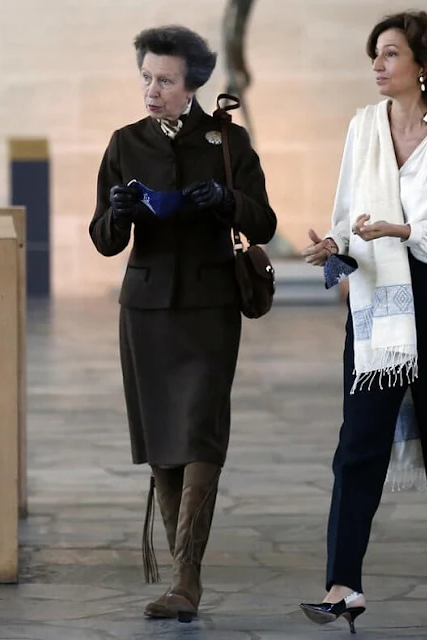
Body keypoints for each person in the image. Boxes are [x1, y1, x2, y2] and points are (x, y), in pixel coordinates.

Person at [299, 10, 427, 633]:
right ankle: (342, 585)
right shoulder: (363, 126)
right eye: (375, 56)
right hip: (379, 301)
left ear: (424, 66)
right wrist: (332, 245)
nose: (377, 66)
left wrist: (403, 230)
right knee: (358, 446)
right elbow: (349, 210)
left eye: (389, 54)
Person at [89, 25, 276, 622]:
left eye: (164, 80)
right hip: (144, 310)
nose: (152, 90)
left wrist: (224, 199)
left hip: (210, 306)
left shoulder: (228, 140)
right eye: (146, 78)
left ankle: (186, 581)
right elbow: (102, 239)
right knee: (164, 443)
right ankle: (180, 582)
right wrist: (118, 213)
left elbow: (264, 222)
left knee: (200, 434)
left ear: (191, 83)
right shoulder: (124, 143)